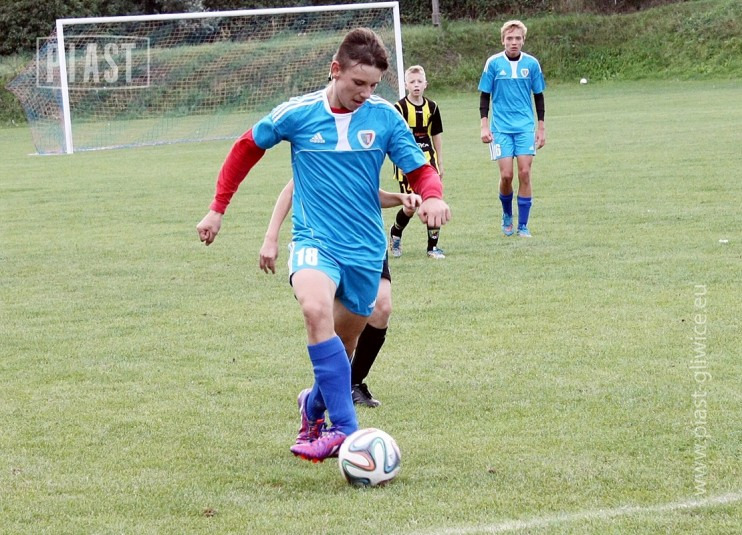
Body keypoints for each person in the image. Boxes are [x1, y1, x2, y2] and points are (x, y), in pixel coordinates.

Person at [196, 28, 451, 463]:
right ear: (336, 70)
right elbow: (246, 147)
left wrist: (432, 195)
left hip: (365, 250)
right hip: (315, 241)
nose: (365, 94)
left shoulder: (384, 118)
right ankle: (345, 430)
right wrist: (217, 208)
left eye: (373, 85)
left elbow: (419, 168)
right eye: (358, 83)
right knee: (315, 311)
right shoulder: (299, 113)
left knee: (342, 347)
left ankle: (312, 406)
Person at [259, 180, 422, 408]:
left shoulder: (365, 157)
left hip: (368, 241)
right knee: (339, 325)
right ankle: (325, 393)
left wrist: (400, 198)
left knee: (382, 308)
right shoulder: (316, 158)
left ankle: (352, 382)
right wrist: (271, 237)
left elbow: (366, 190)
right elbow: (290, 190)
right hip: (329, 243)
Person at [478, 20, 546, 238]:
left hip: (525, 127)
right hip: (501, 128)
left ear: (523, 40)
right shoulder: (493, 63)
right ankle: (507, 214)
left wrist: (541, 128)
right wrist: (484, 126)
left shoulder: (532, 64)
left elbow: (539, 96)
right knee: (506, 175)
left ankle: (523, 225)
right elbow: (485, 96)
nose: (513, 42)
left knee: (525, 172)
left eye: (518, 38)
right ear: (503, 40)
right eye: (509, 38)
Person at [390, 65, 446, 259]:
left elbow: (436, 134)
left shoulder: (433, 107)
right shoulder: (399, 108)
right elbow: (394, 137)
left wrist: (440, 161)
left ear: (425, 84)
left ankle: (432, 248)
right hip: (406, 161)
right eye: (412, 82)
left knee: (433, 201)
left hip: (429, 159)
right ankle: (396, 233)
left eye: (419, 81)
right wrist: (399, 164)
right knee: (411, 206)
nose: (416, 85)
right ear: (406, 85)